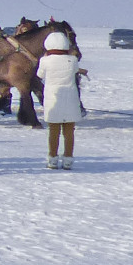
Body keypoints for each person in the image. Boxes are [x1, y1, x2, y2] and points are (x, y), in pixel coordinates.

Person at [36, 31, 86, 169]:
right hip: (70, 98)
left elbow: (39, 75)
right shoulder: (73, 60)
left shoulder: (45, 60)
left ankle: (52, 159)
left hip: (54, 98)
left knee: (54, 131)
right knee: (69, 132)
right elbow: (75, 71)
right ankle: (68, 159)